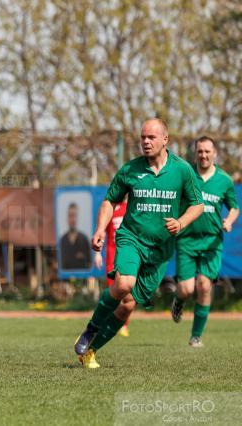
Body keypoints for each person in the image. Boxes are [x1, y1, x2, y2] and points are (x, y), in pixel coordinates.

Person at [74, 118, 204, 368]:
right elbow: (109, 201)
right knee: (124, 283)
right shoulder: (130, 169)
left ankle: (90, 350)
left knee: (127, 307)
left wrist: (181, 222)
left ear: (165, 139)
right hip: (131, 238)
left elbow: (198, 205)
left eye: (151, 137)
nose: (145, 141)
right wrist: (100, 228)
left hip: (160, 252)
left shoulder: (182, 170)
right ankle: (91, 328)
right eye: (143, 137)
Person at [171, 136, 239, 347]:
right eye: (200, 151)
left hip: (211, 243)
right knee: (186, 289)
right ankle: (179, 301)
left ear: (215, 153)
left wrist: (229, 220)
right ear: (195, 153)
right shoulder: (186, 174)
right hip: (186, 240)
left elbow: (234, 207)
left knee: (204, 285)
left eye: (207, 151)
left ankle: (195, 336)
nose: (203, 155)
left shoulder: (224, 180)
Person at [93, 198, 132, 337]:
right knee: (113, 293)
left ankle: (123, 326)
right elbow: (102, 232)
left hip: (128, 257)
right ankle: (103, 324)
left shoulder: (134, 206)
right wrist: (97, 254)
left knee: (128, 295)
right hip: (112, 257)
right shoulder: (112, 207)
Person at [59, 203, 91, 269]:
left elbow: (89, 263)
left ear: (77, 217)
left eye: (74, 216)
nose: (73, 219)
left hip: (82, 278)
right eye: (70, 216)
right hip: (65, 279)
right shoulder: (62, 241)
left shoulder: (84, 239)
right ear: (67, 218)